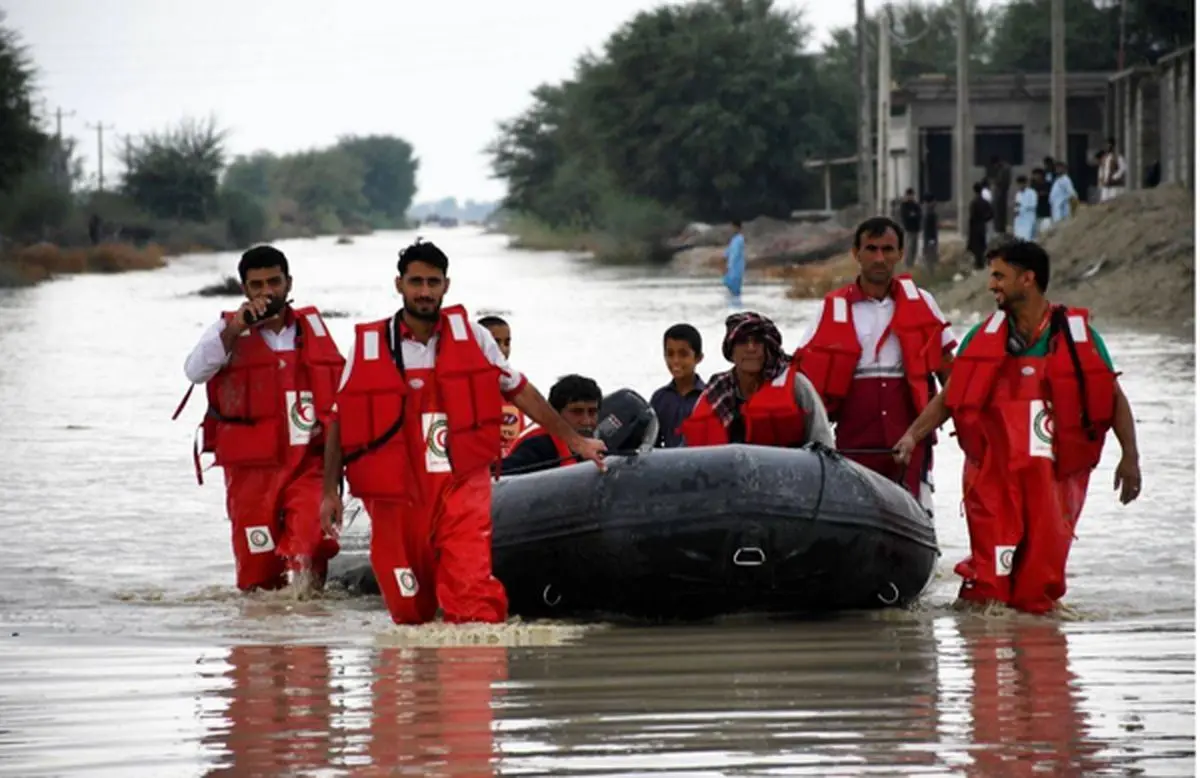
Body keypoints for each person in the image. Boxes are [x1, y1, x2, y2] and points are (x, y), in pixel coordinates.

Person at [320, 239, 606, 625]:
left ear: (446, 285)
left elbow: (522, 391)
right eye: (416, 282)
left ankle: (473, 675)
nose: (424, 292)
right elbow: (340, 418)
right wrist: (328, 492)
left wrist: (577, 442)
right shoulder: (369, 346)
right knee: (409, 611)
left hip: (461, 481)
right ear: (399, 284)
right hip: (397, 494)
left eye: (433, 282)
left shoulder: (475, 337)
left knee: (472, 597)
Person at [893, 240, 1142, 614]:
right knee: (987, 589)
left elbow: (1114, 397)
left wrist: (1130, 458)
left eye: (999, 276)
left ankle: (1039, 657)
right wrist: (913, 435)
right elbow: (950, 397)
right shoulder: (983, 336)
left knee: (1037, 590)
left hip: (1053, 480)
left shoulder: (1077, 338)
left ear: (1028, 279)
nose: (991, 284)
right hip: (993, 476)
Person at [180, 245, 345, 594]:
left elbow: (341, 398)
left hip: (308, 464)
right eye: (257, 285)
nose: (266, 292)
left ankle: (311, 631)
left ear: (288, 283)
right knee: (257, 574)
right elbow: (194, 372)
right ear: (245, 289)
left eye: (274, 282)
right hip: (251, 473)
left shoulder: (312, 329)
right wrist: (235, 328)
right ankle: (262, 641)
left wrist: (337, 481)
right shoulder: (225, 332)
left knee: (310, 545)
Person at [795, 217, 956, 511]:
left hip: (911, 438)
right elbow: (801, 382)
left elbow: (953, 378)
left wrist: (970, 432)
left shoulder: (924, 302)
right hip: (854, 442)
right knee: (853, 516)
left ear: (900, 254)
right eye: (871, 249)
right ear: (856, 253)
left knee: (917, 513)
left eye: (887, 249)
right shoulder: (831, 307)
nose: (879, 258)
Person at [679, 312, 834, 448]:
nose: (751, 348)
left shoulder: (797, 386)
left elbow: (824, 445)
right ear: (731, 351)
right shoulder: (715, 391)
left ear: (769, 349)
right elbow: (689, 452)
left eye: (757, 342)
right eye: (742, 342)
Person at [501, 374, 602, 475]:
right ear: (555, 414)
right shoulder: (537, 446)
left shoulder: (603, 442)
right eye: (577, 412)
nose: (586, 421)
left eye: (592, 412)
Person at [650, 323, 706, 447]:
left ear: (698, 358)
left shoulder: (709, 398)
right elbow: (652, 442)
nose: (675, 361)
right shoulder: (659, 398)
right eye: (670, 354)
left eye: (683, 354)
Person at [477, 315, 527, 457]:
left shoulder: (515, 389)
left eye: (507, 342)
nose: (503, 349)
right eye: (495, 342)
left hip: (511, 471)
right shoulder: (462, 387)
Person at [968, 183, 994, 269]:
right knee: (982, 244)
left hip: (975, 226)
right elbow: (991, 214)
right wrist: (985, 219)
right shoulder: (985, 202)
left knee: (976, 245)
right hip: (983, 225)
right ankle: (982, 262)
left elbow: (972, 216)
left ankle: (978, 263)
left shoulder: (973, 202)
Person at [898, 188, 922, 268]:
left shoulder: (915, 205)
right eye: (909, 195)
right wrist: (912, 215)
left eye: (912, 195)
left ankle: (912, 262)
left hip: (916, 228)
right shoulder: (904, 205)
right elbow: (905, 216)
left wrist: (913, 215)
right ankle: (907, 263)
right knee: (909, 246)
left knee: (915, 247)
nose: (910, 197)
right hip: (908, 229)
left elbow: (919, 215)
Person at [988, 155, 1012, 233]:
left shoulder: (1004, 168)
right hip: (1001, 192)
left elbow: (1002, 181)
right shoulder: (1003, 168)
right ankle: (999, 228)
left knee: (999, 212)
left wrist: (994, 182)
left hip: (1001, 193)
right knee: (999, 212)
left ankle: (999, 228)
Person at [1099, 138, 1127, 202]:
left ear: (1112, 146)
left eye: (1109, 145)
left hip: (1114, 188)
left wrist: (1114, 177)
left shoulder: (1118, 157)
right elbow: (1101, 169)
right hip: (1105, 187)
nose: (1107, 147)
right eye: (1106, 145)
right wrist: (1101, 178)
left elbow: (1123, 169)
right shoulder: (1104, 158)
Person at [723, 219, 745, 297]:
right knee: (729, 286)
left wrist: (729, 266)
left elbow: (735, 254)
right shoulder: (734, 239)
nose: (731, 229)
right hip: (731, 268)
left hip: (736, 268)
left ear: (737, 228)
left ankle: (737, 305)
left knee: (735, 290)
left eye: (732, 227)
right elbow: (728, 251)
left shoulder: (740, 239)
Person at [1013, 175, 1038, 240]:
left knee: (1028, 237)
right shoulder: (1018, 194)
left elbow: (1033, 205)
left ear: (1025, 183)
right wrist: (1016, 211)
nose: (1020, 185)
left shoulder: (1031, 192)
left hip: (1029, 218)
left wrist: (1023, 207)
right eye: (1019, 184)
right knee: (1018, 237)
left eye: (1022, 183)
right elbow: (1017, 205)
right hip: (1020, 219)